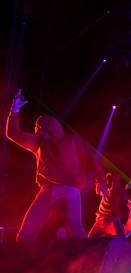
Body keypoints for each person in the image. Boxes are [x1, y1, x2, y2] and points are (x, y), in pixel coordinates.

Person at [5, 89, 107, 242]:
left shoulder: (67, 141)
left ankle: (89, 259)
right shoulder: (41, 143)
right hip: (58, 190)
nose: (41, 134)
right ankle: (26, 260)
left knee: (71, 228)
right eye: (39, 131)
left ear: (52, 129)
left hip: (62, 190)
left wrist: (101, 181)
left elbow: (93, 160)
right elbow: (13, 134)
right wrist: (15, 110)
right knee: (31, 230)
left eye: (43, 131)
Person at [88, 172, 129, 238]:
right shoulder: (106, 190)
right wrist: (97, 182)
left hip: (112, 221)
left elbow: (125, 206)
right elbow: (98, 192)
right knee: (89, 239)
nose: (109, 181)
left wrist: (123, 220)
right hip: (100, 221)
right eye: (109, 179)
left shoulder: (121, 192)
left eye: (113, 179)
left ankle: (124, 240)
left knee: (121, 238)